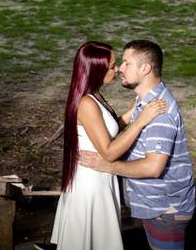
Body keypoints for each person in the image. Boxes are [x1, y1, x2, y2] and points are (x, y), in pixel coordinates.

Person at [80, 39, 196, 250]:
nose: (120, 69)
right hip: (155, 205)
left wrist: (110, 166)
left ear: (145, 69)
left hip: (165, 209)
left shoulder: (159, 112)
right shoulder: (146, 103)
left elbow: (153, 167)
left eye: (126, 63)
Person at [50, 41, 167, 250]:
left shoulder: (95, 95)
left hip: (101, 179)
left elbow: (108, 131)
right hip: (91, 186)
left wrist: (135, 111)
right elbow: (109, 152)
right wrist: (141, 121)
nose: (118, 69)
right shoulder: (86, 103)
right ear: (96, 70)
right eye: (112, 66)